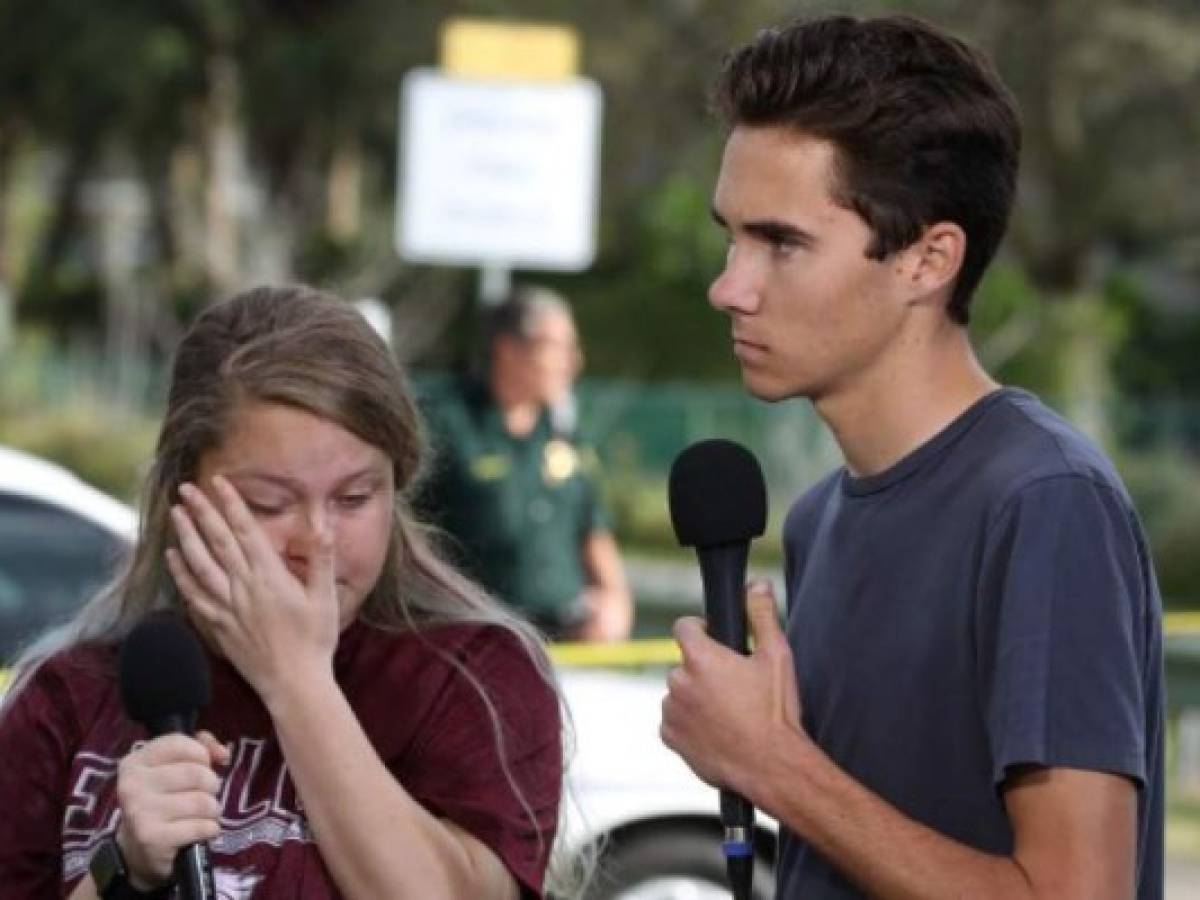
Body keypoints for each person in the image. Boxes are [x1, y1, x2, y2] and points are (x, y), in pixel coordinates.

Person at [660, 13, 1164, 900]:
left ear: (929, 260)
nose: (728, 286)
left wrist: (777, 768)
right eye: (731, 237)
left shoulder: (1045, 502)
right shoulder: (820, 518)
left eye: (781, 242)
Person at [0, 285, 563, 899]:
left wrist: (296, 679)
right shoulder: (71, 695)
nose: (315, 541)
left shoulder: (470, 675)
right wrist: (122, 870)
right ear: (179, 496)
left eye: (355, 498)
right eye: (268, 504)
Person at [420, 285, 633, 643]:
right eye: (558, 347)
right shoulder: (444, 422)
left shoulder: (562, 433)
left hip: (565, 642)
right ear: (508, 349)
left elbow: (592, 527)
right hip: (469, 640)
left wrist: (615, 603)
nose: (573, 361)